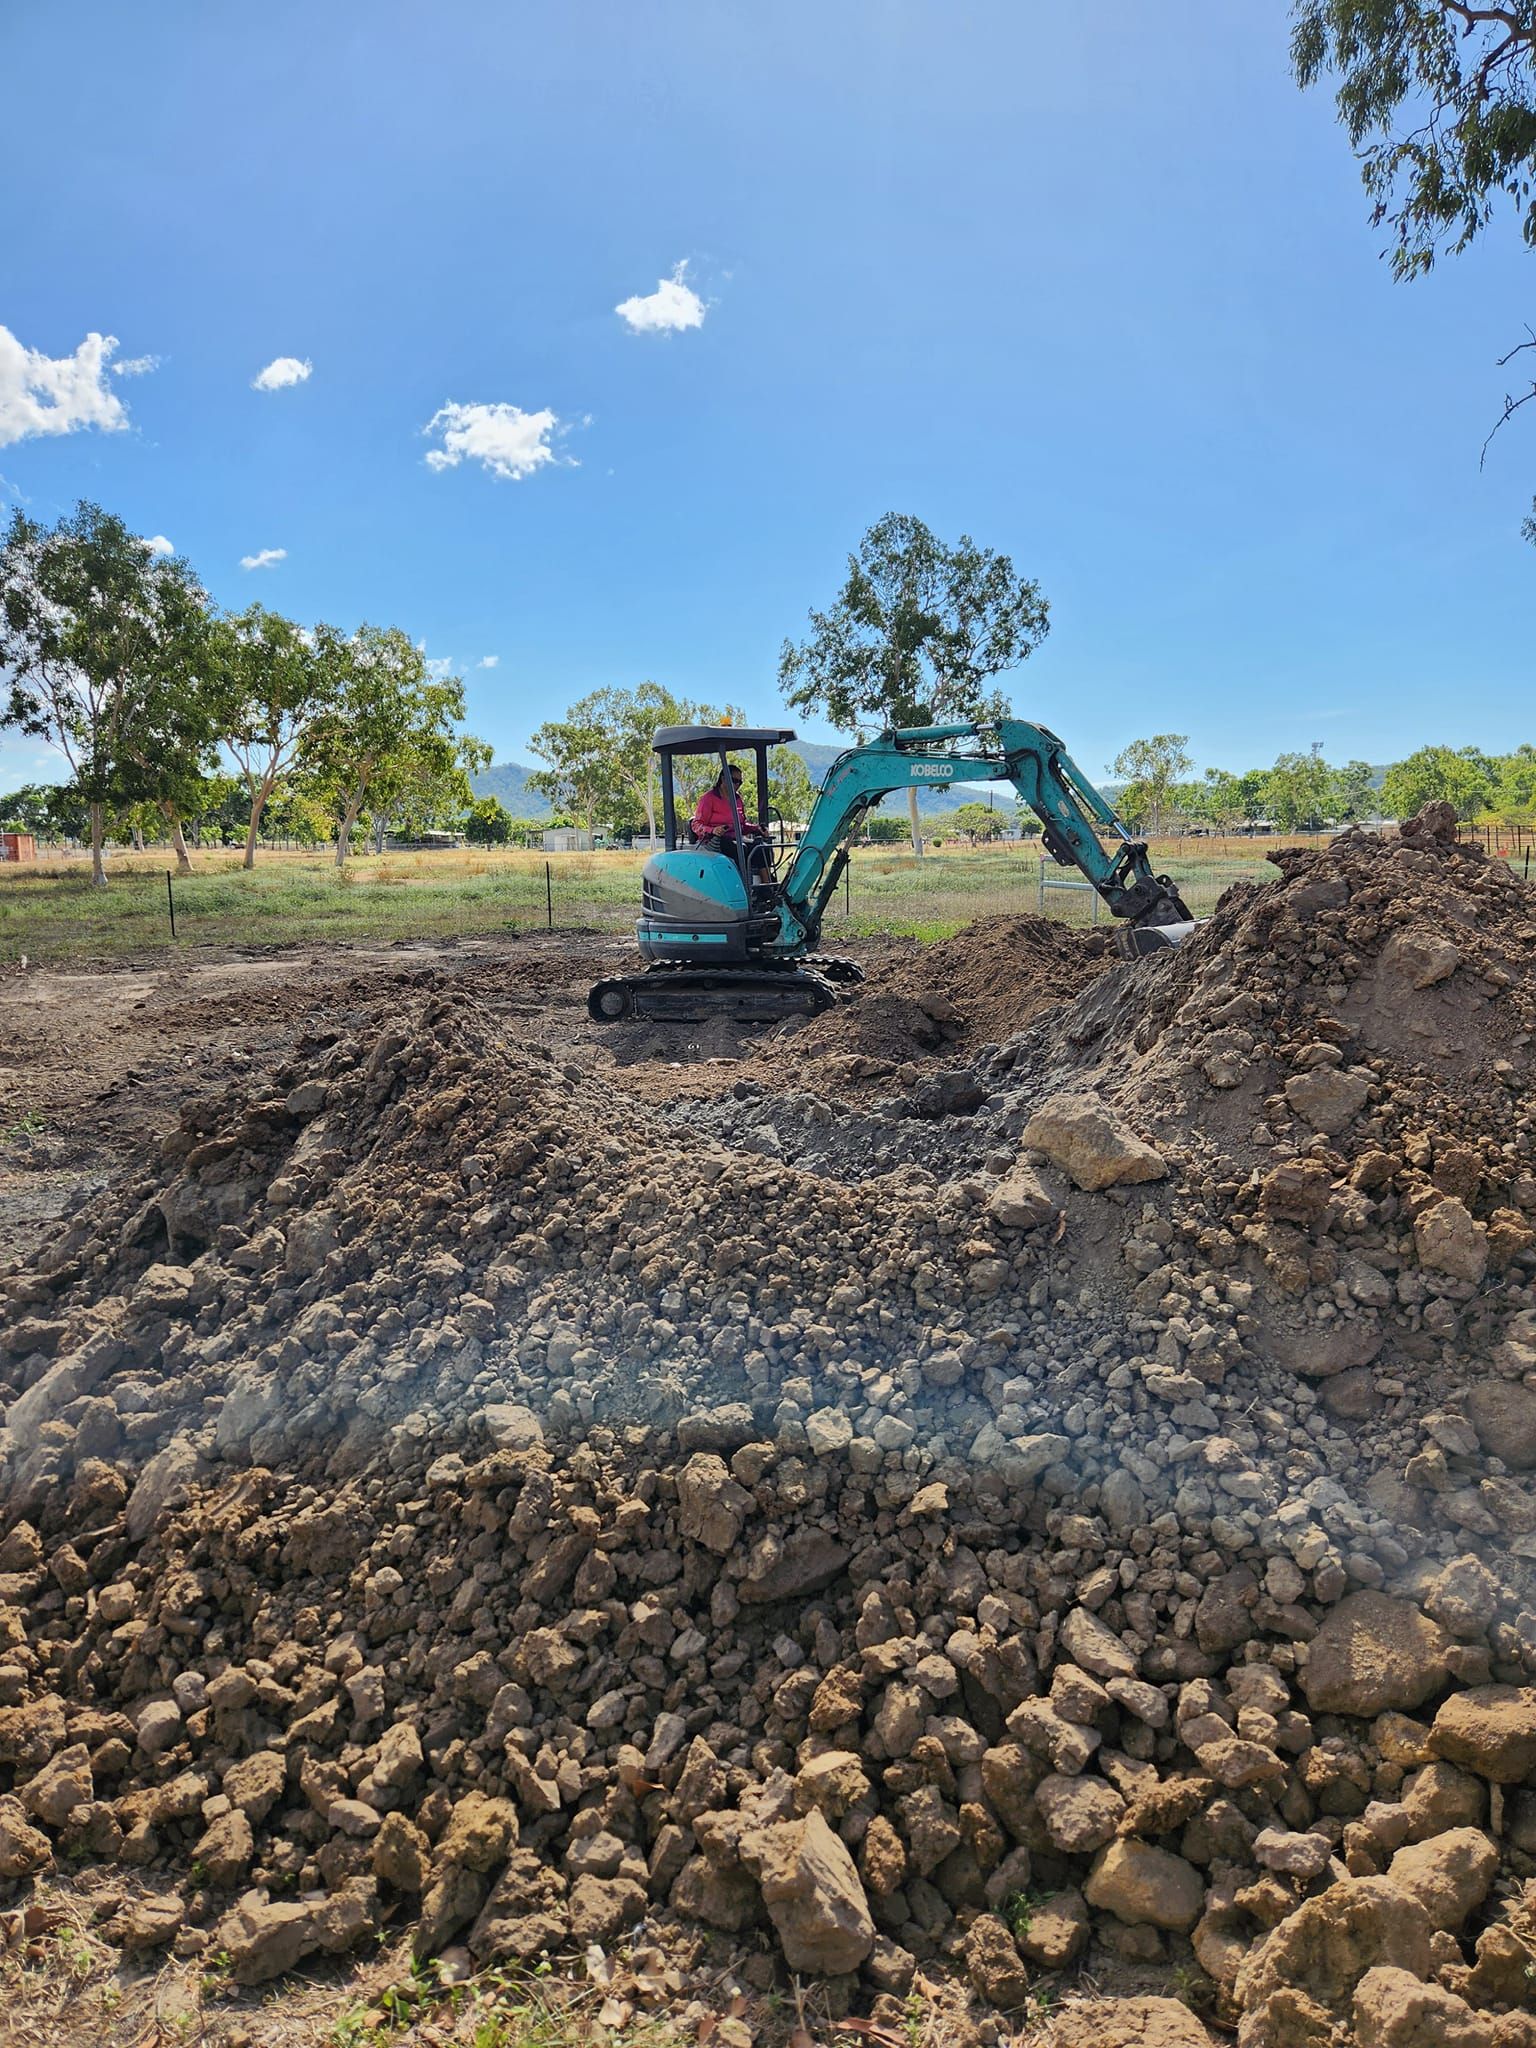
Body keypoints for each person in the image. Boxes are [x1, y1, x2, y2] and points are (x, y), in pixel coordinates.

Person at [692, 763, 771, 876]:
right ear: (723, 779)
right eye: (734, 781)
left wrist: (757, 828)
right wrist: (713, 830)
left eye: (740, 782)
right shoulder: (709, 798)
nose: (737, 784)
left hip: (736, 839)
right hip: (715, 841)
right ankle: (744, 885)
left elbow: (742, 826)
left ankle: (767, 887)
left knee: (761, 848)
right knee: (740, 849)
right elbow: (696, 824)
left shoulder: (738, 799)